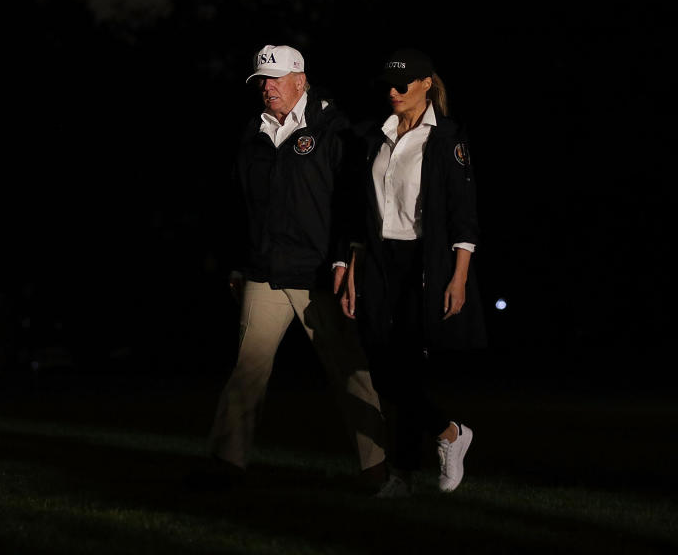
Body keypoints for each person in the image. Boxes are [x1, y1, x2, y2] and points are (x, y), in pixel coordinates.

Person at [200, 44, 387, 490]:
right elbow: (237, 204)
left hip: (320, 273)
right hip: (264, 272)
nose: (267, 88)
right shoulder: (254, 131)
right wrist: (236, 264)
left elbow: (349, 204)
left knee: (351, 375)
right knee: (248, 372)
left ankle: (379, 472)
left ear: (300, 80)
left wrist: (346, 259)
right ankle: (226, 467)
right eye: (261, 80)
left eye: (276, 79)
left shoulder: (333, 130)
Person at [340, 48, 487, 498]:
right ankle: (449, 433)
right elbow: (360, 212)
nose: (392, 92)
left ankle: (401, 476)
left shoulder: (447, 138)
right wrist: (349, 268)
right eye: (387, 84)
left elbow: (464, 217)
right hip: (379, 261)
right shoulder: (373, 137)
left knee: (404, 370)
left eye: (402, 84)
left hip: (422, 262)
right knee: (383, 370)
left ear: (426, 84)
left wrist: (458, 278)